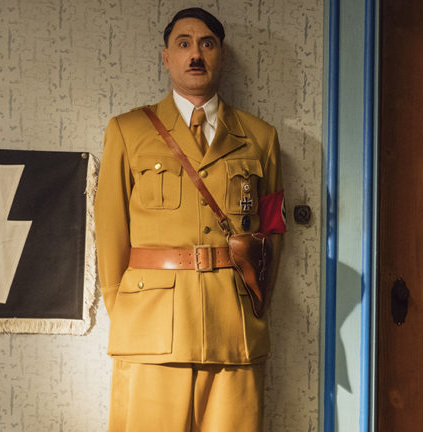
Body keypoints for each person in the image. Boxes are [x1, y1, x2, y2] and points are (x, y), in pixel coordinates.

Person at [95, 7, 285, 432]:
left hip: (233, 326)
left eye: (206, 44)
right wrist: (126, 311)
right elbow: (110, 231)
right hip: (151, 326)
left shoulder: (260, 137)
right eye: (183, 44)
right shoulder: (128, 131)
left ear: (221, 55)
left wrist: (253, 304)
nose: (195, 54)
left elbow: (272, 230)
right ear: (167, 57)